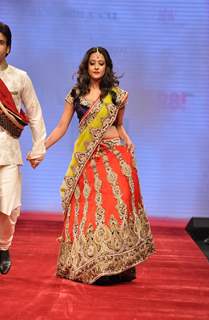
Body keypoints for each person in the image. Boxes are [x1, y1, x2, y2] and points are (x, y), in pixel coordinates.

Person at [45, 47, 155, 284]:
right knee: (91, 211)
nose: (96, 66)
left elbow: (119, 125)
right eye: (92, 62)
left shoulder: (116, 95)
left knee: (115, 207)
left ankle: (117, 267)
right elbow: (61, 127)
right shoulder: (75, 94)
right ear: (86, 66)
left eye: (101, 63)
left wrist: (127, 139)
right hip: (89, 159)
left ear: (107, 67)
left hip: (115, 155)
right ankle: (90, 264)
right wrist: (42, 147)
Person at [0, 22, 46, 274]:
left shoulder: (20, 77)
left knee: (8, 208)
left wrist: (39, 147)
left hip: (8, 151)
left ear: (8, 47)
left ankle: (3, 247)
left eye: (0, 42)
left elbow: (34, 113)